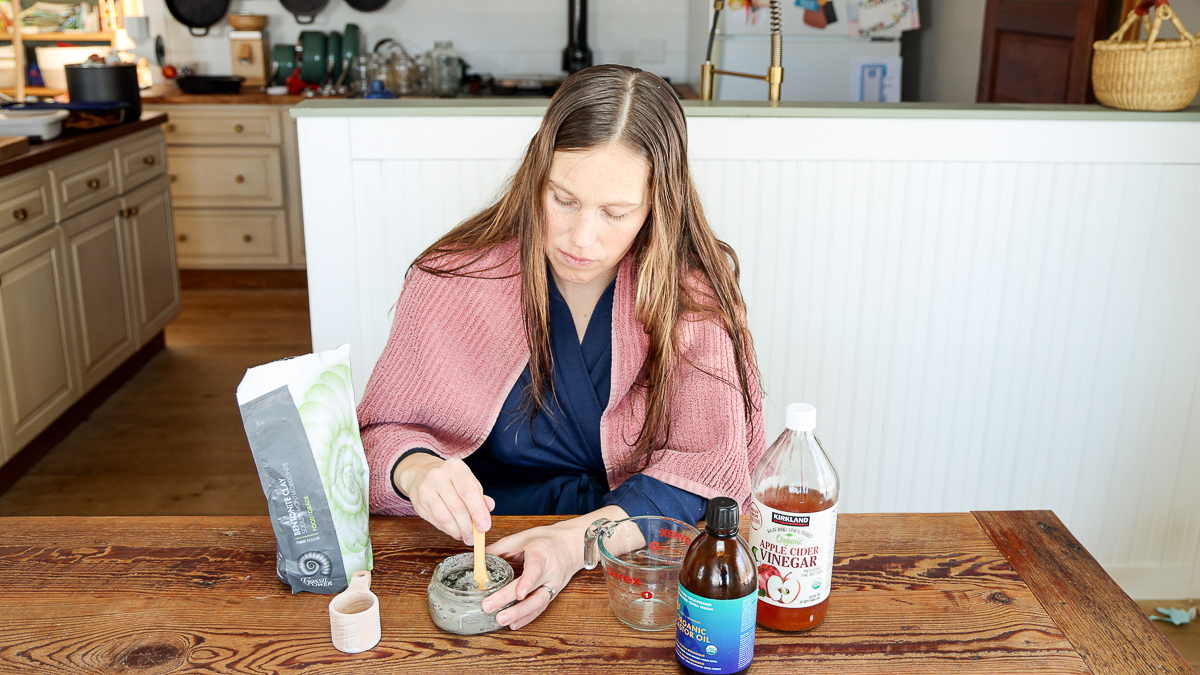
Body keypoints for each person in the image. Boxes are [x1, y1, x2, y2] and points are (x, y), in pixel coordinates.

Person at [357, 64, 764, 631]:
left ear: (657, 207)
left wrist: (579, 541)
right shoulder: (451, 279)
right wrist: (417, 470)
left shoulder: (694, 297)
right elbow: (374, 439)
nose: (581, 238)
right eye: (564, 199)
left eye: (616, 213)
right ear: (535, 177)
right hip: (483, 561)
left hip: (636, 567)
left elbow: (712, 471)